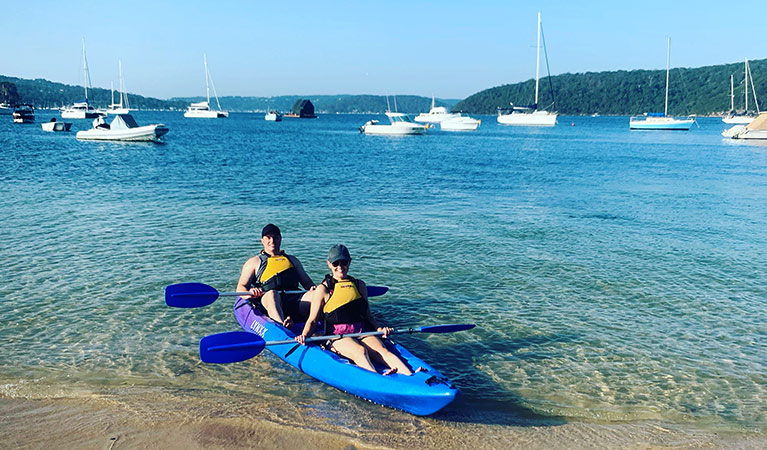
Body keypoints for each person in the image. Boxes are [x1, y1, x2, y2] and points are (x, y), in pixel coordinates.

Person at [295, 244, 413, 376]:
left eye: (343, 262)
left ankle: (413, 377)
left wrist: (379, 329)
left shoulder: (359, 285)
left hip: (361, 331)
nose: (340, 267)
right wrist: (304, 336)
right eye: (336, 263)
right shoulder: (323, 289)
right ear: (329, 264)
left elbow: (368, 315)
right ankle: (377, 380)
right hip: (336, 336)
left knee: (383, 351)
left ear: (349, 262)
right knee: (360, 351)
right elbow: (312, 320)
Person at [237, 224, 315, 328]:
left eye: (275, 237)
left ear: (280, 239)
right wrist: (250, 293)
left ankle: (324, 326)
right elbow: (241, 287)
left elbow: (308, 284)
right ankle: (282, 327)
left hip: (294, 302)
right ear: (262, 241)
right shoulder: (254, 262)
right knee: (272, 294)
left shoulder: (292, 260)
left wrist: (315, 290)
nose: (272, 241)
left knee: (317, 294)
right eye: (268, 237)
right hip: (269, 301)